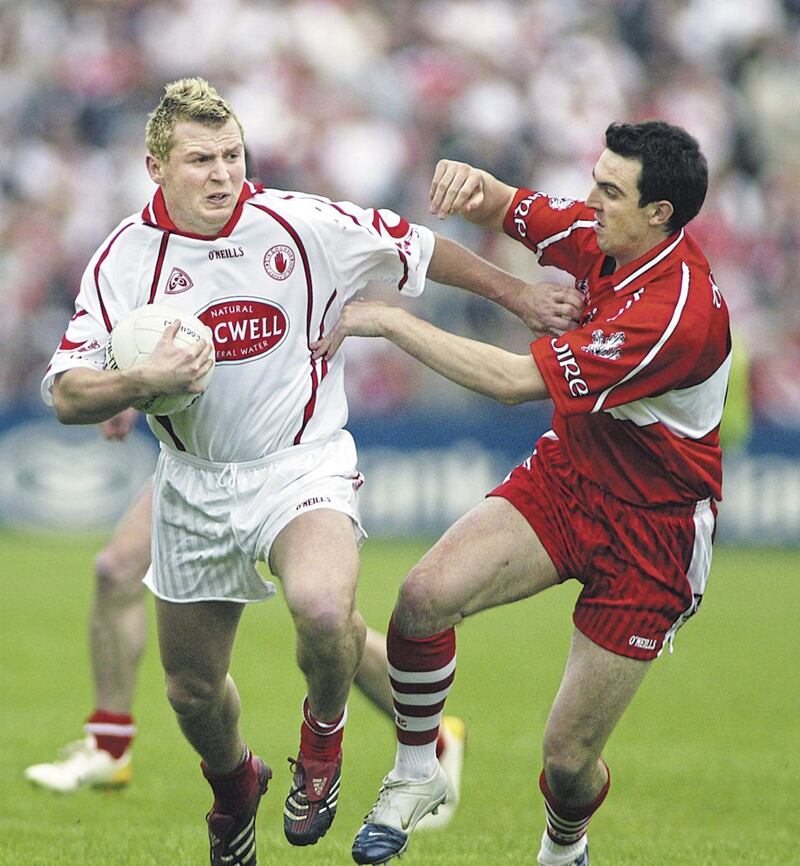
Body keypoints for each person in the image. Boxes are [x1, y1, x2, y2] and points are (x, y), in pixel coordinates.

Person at [41, 77, 581, 865]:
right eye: (200, 159)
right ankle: (235, 787)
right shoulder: (122, 261)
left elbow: (417, 246)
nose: (223, 172)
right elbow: (65, 393)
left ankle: (321, 744)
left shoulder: (297, 222)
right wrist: (135, 384)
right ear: (155, 165)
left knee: (326, 611)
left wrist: (519, 295)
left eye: (232, 154)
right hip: (193, 484)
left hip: (302, 464)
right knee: (192, 692)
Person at [312, 120, 731, 866]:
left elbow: (512, 383)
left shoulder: (676, 315)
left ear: (658, 214)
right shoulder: (606, 234)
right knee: (422, 598)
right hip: (572, 479)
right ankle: (417, 774)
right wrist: (468, 181)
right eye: (596, 179)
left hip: (654, 534)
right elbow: (505, 204)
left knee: (568, 764)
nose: (590, 199)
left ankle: (565, 847)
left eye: (610, 189)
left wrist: (386, 321)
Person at [24, 410, 466, 831]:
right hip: (200, 462)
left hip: (279, 462)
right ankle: (109, 745)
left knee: (323, 621)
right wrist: (128, 383)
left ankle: (430, 732)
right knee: (116, 568)